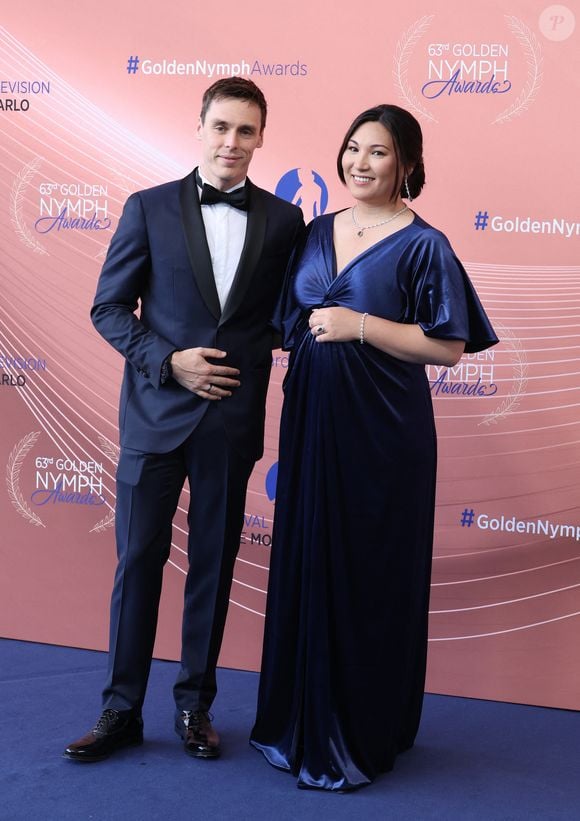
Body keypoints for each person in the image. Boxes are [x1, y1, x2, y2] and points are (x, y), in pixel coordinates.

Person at [250, 104, 498, 791]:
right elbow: (284, 322)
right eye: (353, 147)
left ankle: (362, 730)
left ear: (408, 165)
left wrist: (360, 323)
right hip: (310, 421)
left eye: (379, 152)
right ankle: (296, 722)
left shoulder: (426, 245)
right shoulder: (315, 232)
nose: (360, 162)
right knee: (309, 557)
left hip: (383, 431)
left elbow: (449, 347)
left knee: (369, 570)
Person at [64, 77, 305, 763]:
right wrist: (169, 361)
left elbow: (285, 319)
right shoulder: (147, 208)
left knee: (214, 565)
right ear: (199, 127)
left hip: (230, 422)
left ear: (262, 137)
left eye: (246, 131)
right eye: (221, 127)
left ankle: (195, 704)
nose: (232, 142)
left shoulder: (286, 222)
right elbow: (109, 308)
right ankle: (120, 709)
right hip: (152, 417)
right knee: (137, 561)